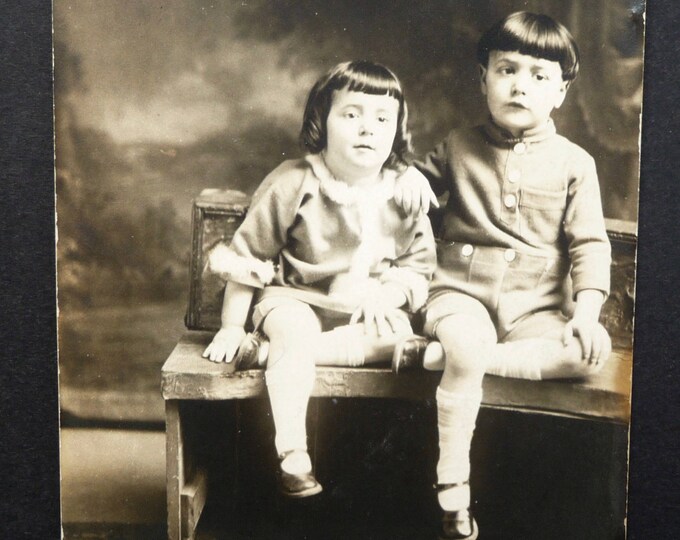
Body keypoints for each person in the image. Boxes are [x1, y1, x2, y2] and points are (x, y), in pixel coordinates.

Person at [401, 12, 612, 539]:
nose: (520, 84)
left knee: (589, 352)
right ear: (483, 79)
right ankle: (453, 486)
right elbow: (408, 192)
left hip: (533, 310)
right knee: (465, 336)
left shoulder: (575, 163)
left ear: (560, 92)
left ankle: (454, 359)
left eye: (540, 76)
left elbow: (589, 243)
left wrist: (585, 313)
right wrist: (400, 180)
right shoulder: (456, 145)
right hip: (458, 293)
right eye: (506, 69)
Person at [202, 60, 437, 499]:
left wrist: (388, 294)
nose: (368, 129)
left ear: (398, 129)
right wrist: (233, 326)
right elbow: (248, 258)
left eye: (382, 119)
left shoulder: (403, 192)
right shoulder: (294, 181)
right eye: (352, 114)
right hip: (295, 299)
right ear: (321, 121)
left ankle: (275, 355)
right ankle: (293, 454)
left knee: (399, 341)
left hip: (364, 309)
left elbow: (418, 266)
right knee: (294, 328)